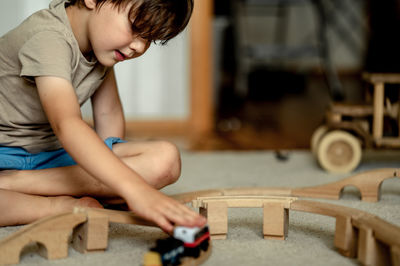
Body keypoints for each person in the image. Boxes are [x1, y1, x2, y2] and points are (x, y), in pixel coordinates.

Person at [0, 0, 206, 233]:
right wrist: (134, 190)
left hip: (48, 156)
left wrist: (115, 183)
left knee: (165, 160)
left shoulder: (98, 48)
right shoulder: (48, 38)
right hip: (5, 153)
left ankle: (16, 183)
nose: (139, 46)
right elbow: (66, 124)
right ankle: (56, 206)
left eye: (148, 39)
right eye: (135, 26)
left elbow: (109, 115)